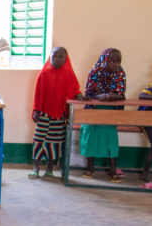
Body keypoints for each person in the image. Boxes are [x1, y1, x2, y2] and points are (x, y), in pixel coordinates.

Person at [28, 46, 80, 179]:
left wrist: (79, 95)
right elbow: (38, 94)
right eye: (54, 56)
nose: (56, 59)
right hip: (43, 113)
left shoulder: (69, 75)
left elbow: (74, 89)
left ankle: (49, 169)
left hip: (59, 115)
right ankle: (36, 168)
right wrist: (36, 110)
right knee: (39, 139)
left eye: (60, 56)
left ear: (66, 59)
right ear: (50, 57)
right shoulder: (44, 74)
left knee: (54, 141)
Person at [80, 48, 125, 181]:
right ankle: (90, 169)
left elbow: (121, 94)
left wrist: (112, 96)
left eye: (118, 62)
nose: (116, 64)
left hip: (111, 111)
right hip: (93, 110)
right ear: (104, 60)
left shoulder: (120, 73)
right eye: (112, 61)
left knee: (111, 139)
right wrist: (100, 96)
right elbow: (89, 93)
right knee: (91, 137)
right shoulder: (94, 72)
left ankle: (113, 170)